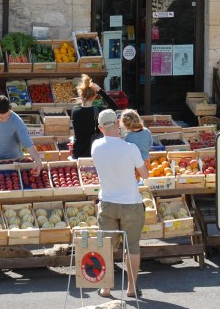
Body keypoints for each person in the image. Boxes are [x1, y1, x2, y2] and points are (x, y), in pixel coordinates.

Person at [90, 109, 149, 299]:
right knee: (132, 246)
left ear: (100, 128)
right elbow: (145, 174)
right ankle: (131, 288)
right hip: (131, 202)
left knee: (106, 246)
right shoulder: (130, 148)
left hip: (107, 202)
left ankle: (105, 287)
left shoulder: (96, 146)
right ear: (118, 123)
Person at [70, 74, 119, 159]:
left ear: (81, 95)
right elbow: (114, 107)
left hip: (78, 152)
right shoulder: (99, 110)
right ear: (94, 97)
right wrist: (101, 91)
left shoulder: (75, 111)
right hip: (95, 151)